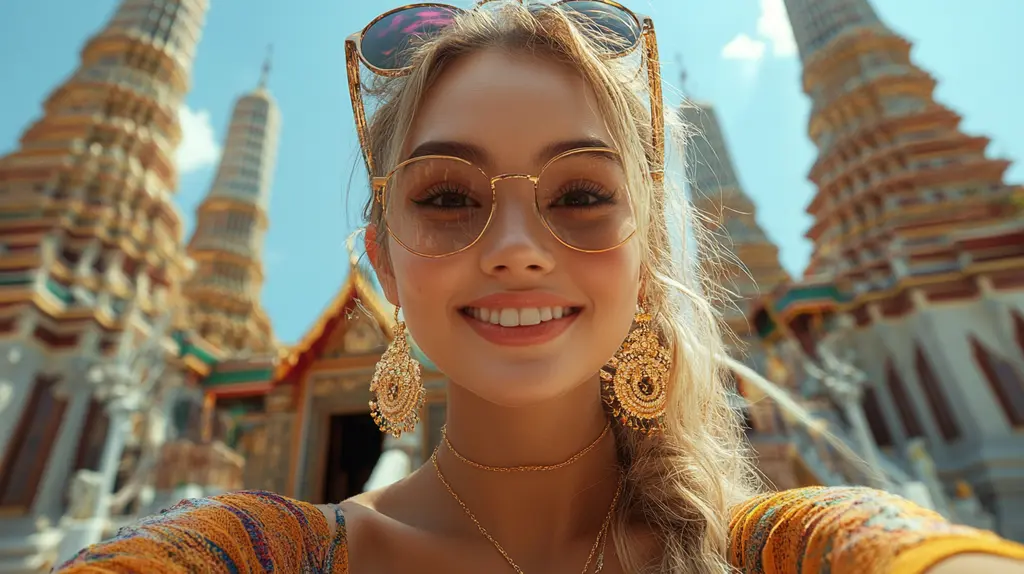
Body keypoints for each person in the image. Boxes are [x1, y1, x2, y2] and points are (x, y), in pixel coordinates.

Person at [56, 2, 1024, 573]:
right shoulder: (256, 553)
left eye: (580, 193)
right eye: (445, 195)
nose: (516, 247)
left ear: (646, 252)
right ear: (382, 261)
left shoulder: (793, 548)